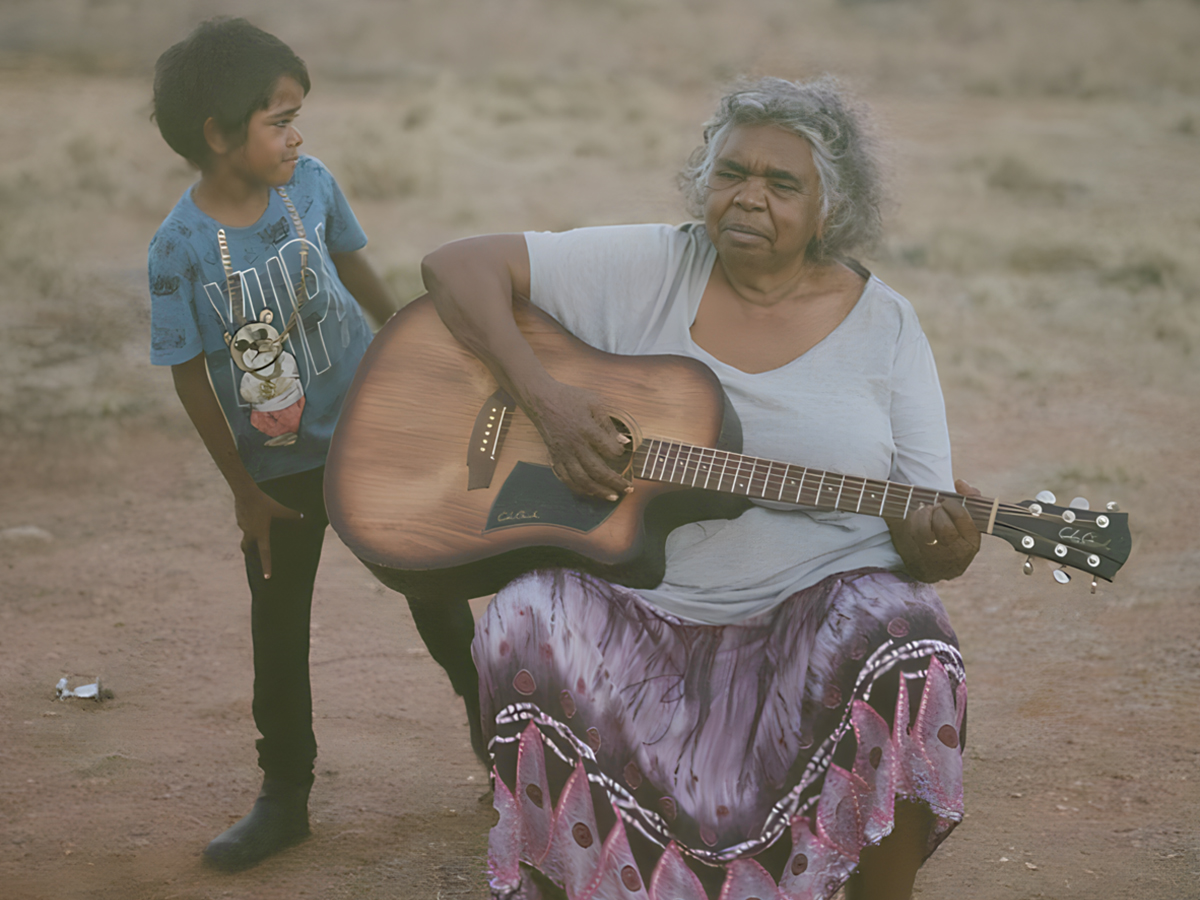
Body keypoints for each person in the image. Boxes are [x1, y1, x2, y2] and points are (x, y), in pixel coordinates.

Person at [418, 76, 982, 900]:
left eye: (782, 183)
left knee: (913, 636)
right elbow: (456, 266)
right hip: (637, 603)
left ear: (832, 207)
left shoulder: (887, 325)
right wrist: (548, 401)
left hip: (809, 614)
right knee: (521, 620)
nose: (749, 198)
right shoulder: (650, 262)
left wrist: (946, 548)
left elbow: (921, 526)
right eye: (731, 174)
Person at [147, 18, 397, 871]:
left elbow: (354, 263)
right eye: (279, 119)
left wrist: (407, 338)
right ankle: (284, 796)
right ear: (218, 135)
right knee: (279, 629)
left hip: (369, 430)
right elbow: (186, 371)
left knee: (434, 582)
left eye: (298, 115)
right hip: (277, 470)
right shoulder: (178, 249)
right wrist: (242, 489)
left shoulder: (312, 182)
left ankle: (497, 742)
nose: (298, 135)